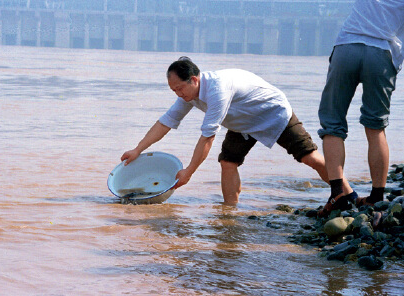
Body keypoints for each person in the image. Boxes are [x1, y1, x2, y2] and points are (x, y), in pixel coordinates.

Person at [121, 57, 355, 205]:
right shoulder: (188, 95)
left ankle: (347, 194)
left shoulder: (217, 89)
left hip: (272, 112)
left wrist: (189, 172)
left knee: (308, 157)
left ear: (194, 79)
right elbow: (166, 122)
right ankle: (229, 212)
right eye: (174, 90)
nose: (178, 94)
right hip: (242, 123)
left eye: (180, 88)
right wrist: (137, 150)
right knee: (228, 162)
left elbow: (208, 136)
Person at [317, 1, 404, 216]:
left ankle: (337, 194)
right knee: (376, 128)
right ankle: (376, 198)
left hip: (348, 46)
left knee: (332, 123)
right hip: (382, 52)